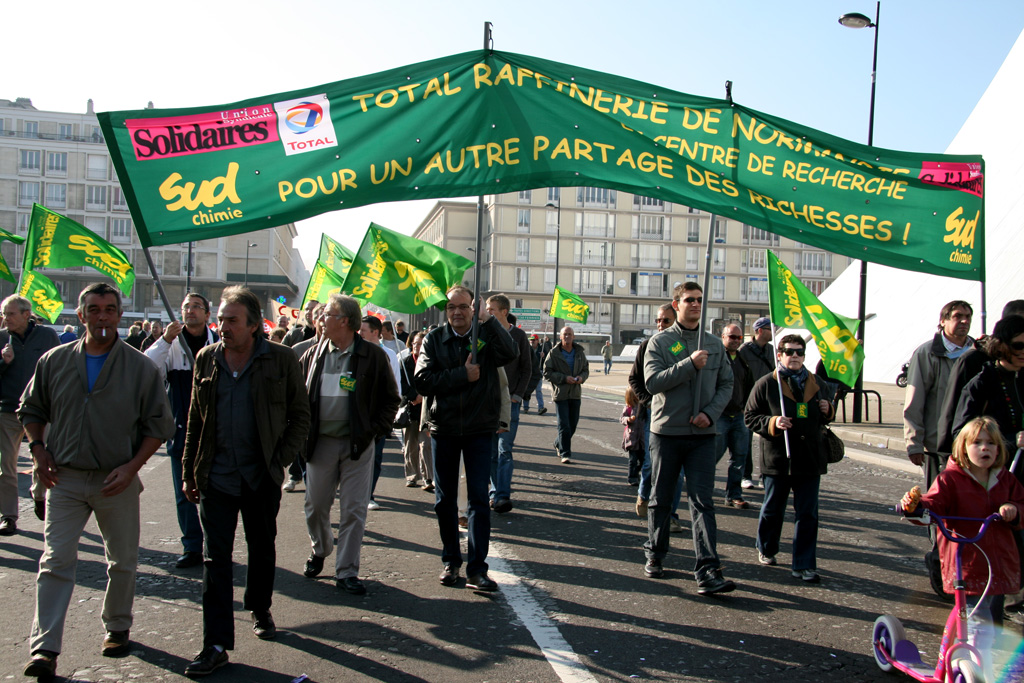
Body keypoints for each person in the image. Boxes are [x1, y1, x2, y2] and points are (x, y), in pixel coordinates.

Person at [19, 283, 174, 680]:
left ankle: (118, 626)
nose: (102, 316)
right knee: (55, 560)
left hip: (115, 480)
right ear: (80, 313)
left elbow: (159, 425)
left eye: (109, 309)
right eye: (94, 309)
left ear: (119, 316)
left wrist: (133, 467)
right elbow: (31, 408)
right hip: (65, 478)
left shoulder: (140, 367)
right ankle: (45, 649)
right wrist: (38, 451)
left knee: (122, 561)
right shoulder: (53, 361)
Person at [181, 286, 310, 677]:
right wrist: (189, 471)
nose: (223, 327)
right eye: (220, 319)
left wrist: (279, 460)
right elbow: (195, 421)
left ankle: (259, 605)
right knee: (214, 559)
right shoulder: (207, 359)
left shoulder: (281, 359)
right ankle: (215, 643)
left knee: (261, 546)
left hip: (260, 477)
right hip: (216, 478)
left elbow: (300, 417)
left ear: (254, 325)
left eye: (232, 320)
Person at [901, 417, 1024, 680]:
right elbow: (933, 504)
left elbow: (1022, 504)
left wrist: (1014, 511)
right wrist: (915, 506)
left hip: (996, 562)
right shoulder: (950, 479)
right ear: (963, 448)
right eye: (977, 443)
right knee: (980, 622)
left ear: (1000, 449)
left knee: (986, 618)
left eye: (991, 443)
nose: (984, 448)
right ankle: (979, 670)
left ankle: (969, 663)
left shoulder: (1006, 480)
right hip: (966, 560)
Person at [414, 286, 517, 591]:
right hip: (443, 429)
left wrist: (489, 322)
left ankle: (477, 569)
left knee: (478, 502)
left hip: (478, 430)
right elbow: (422, 381)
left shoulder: (483, 337)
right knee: (445, 502)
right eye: (450, 307)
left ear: (474, 308)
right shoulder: (434, 339)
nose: (456, 312)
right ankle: (451, 561)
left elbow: (511, 353)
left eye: (463, 306)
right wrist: (462, 374)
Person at [299, 294, 399, 596]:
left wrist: (374, 432)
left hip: (357, 444)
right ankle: (321, 548)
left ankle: (347, 572)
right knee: (315, 506)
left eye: (326, 314)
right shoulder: (313, 354)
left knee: (353, 509)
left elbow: (390, 400)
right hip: (320, 444)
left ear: (345, 321)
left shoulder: (373, 356)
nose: (320, 319)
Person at [643, 282, 735, 595]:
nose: (695, 304)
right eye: (689, 300)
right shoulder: (660, 342)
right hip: (667, 432)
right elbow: (653, 382)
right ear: (676, 304)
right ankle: (655, 552)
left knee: (703, 502)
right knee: (661, 498)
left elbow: (726, 385)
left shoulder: (714, 343)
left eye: (699, 300)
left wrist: (710, 413)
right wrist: (688, 364)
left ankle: (708, 570)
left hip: (702, 435)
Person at [744, 334, 834, 583]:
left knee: (808, 514)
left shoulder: (817, 383)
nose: (794, 356)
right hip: (778, 458)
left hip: (809, 459)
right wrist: (772, 422)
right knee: (773, 509)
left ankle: (804, 563)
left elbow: (825, 415)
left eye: (799, 352)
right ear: (780, 354)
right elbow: (750, 417)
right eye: (789, 351)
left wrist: (829, 411)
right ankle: (767, 547)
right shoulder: (766, 383)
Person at [144, 293, 219, 569]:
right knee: (184, 493)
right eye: (186, 307)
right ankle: (192, 546)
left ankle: (214, 546)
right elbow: (148, 368)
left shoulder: (218, 343)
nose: (190, 311)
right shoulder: (172, 344)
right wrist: (164, 340)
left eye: (197, 307)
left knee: (214, 492)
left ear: (207, 315)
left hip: (213, 430)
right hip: (181, 429)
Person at [0, 295, 60, 530]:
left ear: (26, 314)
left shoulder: (47, 336)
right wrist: (4, 362)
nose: (6, 319)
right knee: (6, 465)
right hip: (8, 409)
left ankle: (39, 494)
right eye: (4, 314)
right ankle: (9, 516)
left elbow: (59, 367)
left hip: (41, 410)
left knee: (42, 459)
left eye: (10, 314)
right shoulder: (2, 338)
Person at [629, 303, 685, 527]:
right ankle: (644, 493)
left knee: (677, 471)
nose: (660, 325)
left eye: (666, 321)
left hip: (681, 416)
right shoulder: (647, 346)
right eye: (658, 321)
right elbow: (635, 380)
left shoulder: (683, 346)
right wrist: (650, 402)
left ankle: (670, 516)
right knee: (652, 464)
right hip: (654, 414)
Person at [486, 294, 531, 513]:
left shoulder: (519, 336)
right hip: (487, 402)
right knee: (491, 452)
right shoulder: (484, 333)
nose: (488, 312)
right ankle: (494, 492)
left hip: (509, 402)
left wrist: (517, 395)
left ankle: (502, 495)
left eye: (491, 309)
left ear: (504, 312)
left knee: (505, 449)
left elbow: (527, 368)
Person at [360, 315, 402, 510]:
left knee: (375, 457)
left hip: (379, 415)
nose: (359, 334)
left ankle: (369, 494)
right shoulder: (355, 352)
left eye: (363, 330)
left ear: (375, 332)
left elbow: (396, 387)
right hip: (358, 414)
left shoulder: (389, 355)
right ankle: (355, 493)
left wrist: (391, 415)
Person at [717, 323, 753, 509]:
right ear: (723, 336)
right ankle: (701, 491)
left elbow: (749, 385)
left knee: (739, 458)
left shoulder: (742, 360)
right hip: (719, 416)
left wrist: (745, 408)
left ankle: (734, 495)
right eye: (732, 337)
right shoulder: (716, 358)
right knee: (711, 456)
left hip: (738, 416)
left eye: (739, 338)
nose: (735, 341)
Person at [543, 327, 590, 464]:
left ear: (573, 336)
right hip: (561, 394)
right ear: (560, 337)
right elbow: (547, 372)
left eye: (570, 334)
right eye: (565, 334)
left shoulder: (580, 352)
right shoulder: (554, 353)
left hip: (575, 393)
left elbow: (586, 370)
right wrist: (564, 378)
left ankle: (558, 442)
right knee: (564, 425)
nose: (567, 337)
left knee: (573, 424)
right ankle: (565, 453)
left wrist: (581, 378)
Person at [738, 316, 775, 489]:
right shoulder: (744, 350)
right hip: (749, 400)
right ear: (760, 331)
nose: (773, 332)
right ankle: (746, 475)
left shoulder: (772, 351)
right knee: (745, 440)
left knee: (768, 439)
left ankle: (764, 474)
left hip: (768, 400)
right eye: (769, 329)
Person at [400, 331, 433, 491]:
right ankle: (412, 476)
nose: (417, 347)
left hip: (426, 410)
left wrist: (423, 396)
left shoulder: (430, 361)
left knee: (426, 444)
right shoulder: (405, 362)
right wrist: (414, 396)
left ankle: (428, 477)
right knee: (410, 445)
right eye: (414, 344)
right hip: (411, 409)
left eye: (420, 344)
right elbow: (402, 384)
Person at [622, 387, 644, 486]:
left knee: (643, 459)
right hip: (632, 437)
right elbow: (622, 418)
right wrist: (628, 419)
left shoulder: (643, 406)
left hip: (642, 438)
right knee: (633, 460)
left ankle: (638, 473)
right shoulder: (629, 407)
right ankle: (632, 477)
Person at [522, 335, 547, 416]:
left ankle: (541, 407)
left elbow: (547, 361)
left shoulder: (542, 349)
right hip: (528, 372)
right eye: (531, 340)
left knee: (538, 390)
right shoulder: (527, 349)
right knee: (527, 390)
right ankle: (526, 407)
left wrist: (543, 357)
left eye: (534, 340)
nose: (532, 341)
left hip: (538, 373)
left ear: (537, 341)